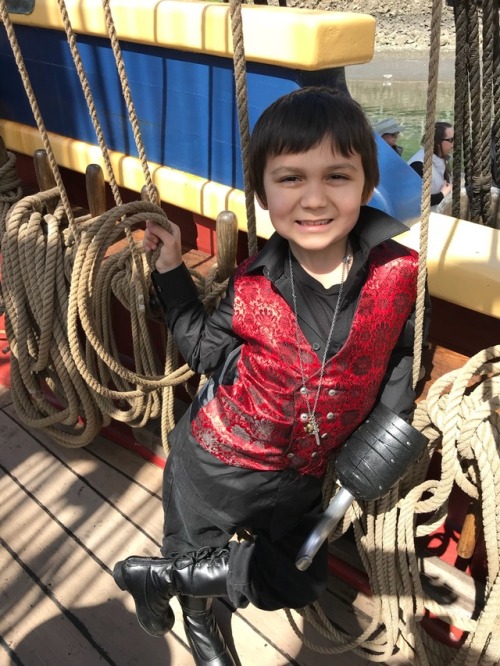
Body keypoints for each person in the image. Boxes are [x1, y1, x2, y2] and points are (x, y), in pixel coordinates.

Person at [112, 87, 426, 666]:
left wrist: (391, 423)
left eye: (337, 176)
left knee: (297, 579)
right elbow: (205, 353)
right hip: (213, 463)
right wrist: (170, 269)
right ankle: (196, 619)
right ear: (262, 192)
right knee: (198, 559)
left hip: (302, 479)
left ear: (366, 182)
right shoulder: (252, 287)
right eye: (289, 178)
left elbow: (401, 354)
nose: (313, 199)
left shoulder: (400, 274)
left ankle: (160, 579)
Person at [408, 121, 454, 208]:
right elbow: (415, 201)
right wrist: (442, 194)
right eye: (450, 140)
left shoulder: (442, 157)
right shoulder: (418, 165)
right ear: (437, 142)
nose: (453, 144)